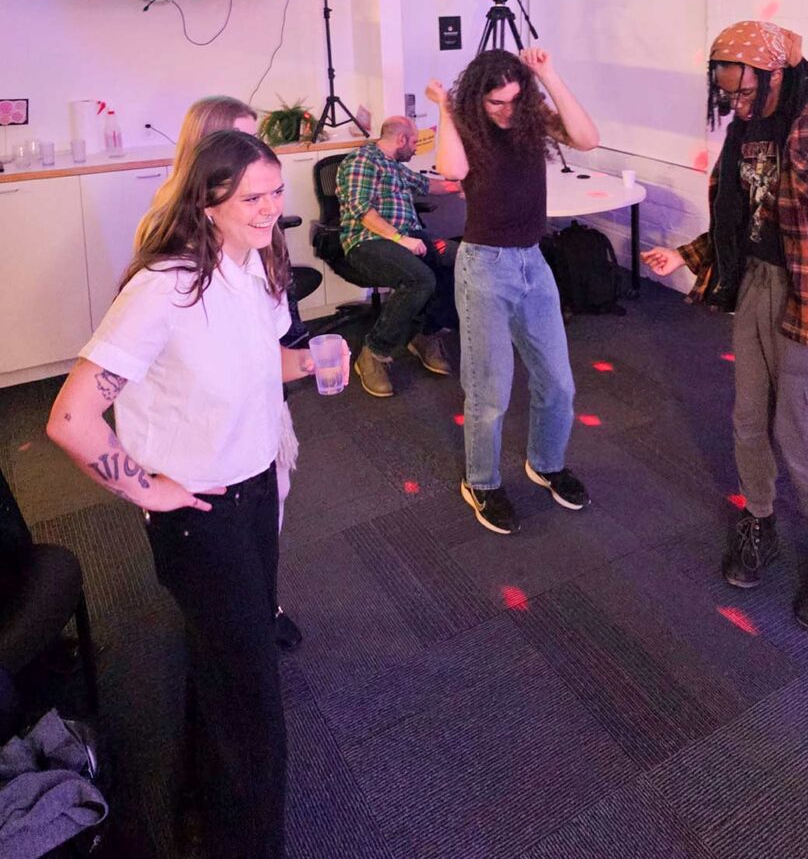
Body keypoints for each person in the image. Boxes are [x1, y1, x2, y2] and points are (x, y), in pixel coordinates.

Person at [47, 130, 350, 857]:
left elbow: (258, 363)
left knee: (228, 665)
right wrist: (148, 490)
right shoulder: (166, 288)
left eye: (278, 192)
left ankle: (197, 799)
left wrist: (311, 360)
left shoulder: (254, 266)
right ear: (206, 199)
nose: (272, 209)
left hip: (252, 492)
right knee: (252, 697)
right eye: (253, 197)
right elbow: (70, 419)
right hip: (198, 517)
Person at [642, 20, 808, 631]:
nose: (733, 97)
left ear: (774, 71)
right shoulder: (743, 132)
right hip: (754, 284)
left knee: (801, 432)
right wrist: (688, 255)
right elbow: (743, 221)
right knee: (749, 418)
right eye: (725, 84)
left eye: (742, 83)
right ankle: (760, 520)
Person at [138, 95, 303, 650]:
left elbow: (264, 335)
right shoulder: (172, 265)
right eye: (238, 146)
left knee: (267, 507)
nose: (257, 158)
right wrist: (146, 483)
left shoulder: (254, 242)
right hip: (204, 430)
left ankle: (261, 605)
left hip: (252, 402)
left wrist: (297, 362)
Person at [426, 48, 599, 534]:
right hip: (484, 266)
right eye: (495, 102)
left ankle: (545, 463)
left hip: (533, 263)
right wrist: (444, 109)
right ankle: (480, 480)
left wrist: (548, 73)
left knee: (558, 382)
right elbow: (453, 171)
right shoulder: (467, 125)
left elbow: (587, 138)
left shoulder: (533, 120)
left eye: (513, 100)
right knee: (490, 391)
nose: (505, 110)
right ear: (477, 99)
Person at [336, 115, 462, 397]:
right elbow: (361, 211)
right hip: (369, 241)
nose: (416, 148)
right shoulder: (362, 160)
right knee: (420, 280)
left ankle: (424, 334)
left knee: (458, 260)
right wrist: (400, 239)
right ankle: (374, 351)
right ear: (402, 139)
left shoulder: (395, 166)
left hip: (408, 237)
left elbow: (428, 185)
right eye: (415, 141)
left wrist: (463, 186)